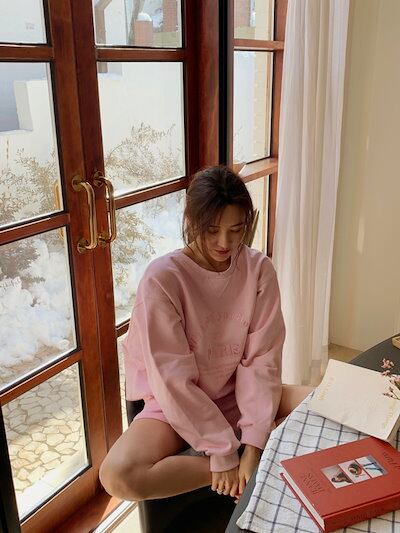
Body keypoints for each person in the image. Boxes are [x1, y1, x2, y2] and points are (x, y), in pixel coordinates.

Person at [99, 166, 290, 504]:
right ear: (191, 220)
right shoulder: (162, 279)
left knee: (329, 407)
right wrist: (224, 455)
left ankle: (252, 464)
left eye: (236, 230)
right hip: (175, 406)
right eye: (212, 230)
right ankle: (233, 477)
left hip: (239, 394)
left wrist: (254, 445)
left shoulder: (259, 269)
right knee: (117, 475)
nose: (225, 243)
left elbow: (262, 359)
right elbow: (171, 379)